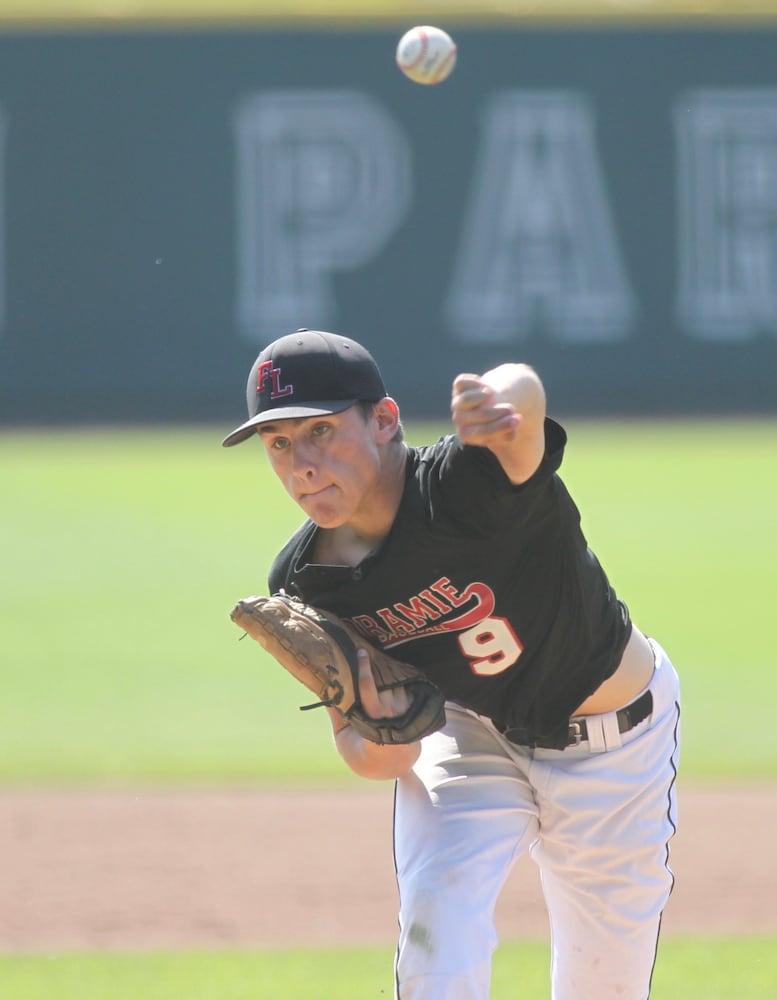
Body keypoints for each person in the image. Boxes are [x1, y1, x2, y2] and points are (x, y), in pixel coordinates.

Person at [223, 328, 681, 1000]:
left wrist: (499, 396)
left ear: (384, 421)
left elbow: (522, 401)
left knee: (601, 988)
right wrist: (382, 731)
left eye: (320, 430)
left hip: (614, 748)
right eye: (279, 444)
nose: (302, 463)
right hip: (468, 735)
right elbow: (373, 758)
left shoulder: (464, 482)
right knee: (436, 935)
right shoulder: (309, 580)